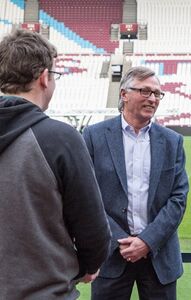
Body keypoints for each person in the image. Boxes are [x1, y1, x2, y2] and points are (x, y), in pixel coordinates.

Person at [0, 29, 111, 300]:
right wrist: (87, 265)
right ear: (44, 78)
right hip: (46, 291)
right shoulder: (59, 138)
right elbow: (94, 233)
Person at [83, 66, 189, 300]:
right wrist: (120, 239)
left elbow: (178, 198)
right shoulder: (93, 136)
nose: (152, 99)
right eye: (145, 91)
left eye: (157, 94)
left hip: (159, 257)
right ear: (124, 94)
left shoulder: (173, 142)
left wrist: (147, 241)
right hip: (111, 255)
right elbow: (86, 197)